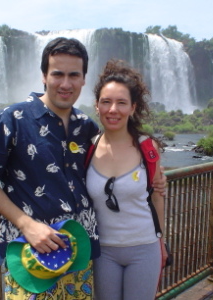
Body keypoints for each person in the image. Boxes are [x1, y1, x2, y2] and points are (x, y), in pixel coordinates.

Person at [0, 38, 166, 299]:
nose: (65, 84)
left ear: (83, 79)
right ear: (43, 76)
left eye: (74, 75)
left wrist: (154, 177)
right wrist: (27, 225)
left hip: (78, 257)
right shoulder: (12, 119)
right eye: (57, 74)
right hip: (31, 256)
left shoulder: (85, 127)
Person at [85, 59, 167, 300]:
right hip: (103, 252)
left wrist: (161, 240)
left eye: (122, 103)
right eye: (106, 102)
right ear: (97, 106)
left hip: (144, 248)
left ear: (132, 108)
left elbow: (157, 196)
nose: (113, 110)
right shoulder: (88, 148)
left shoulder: (147, 147)